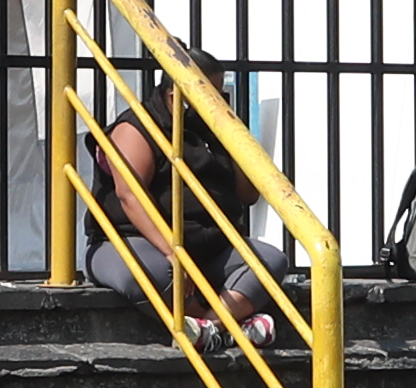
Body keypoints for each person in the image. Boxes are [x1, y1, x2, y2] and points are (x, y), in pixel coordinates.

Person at [78, 80, 289, 343]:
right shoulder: (137, 127)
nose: (216, 100)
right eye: (208, 92)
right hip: (134, 242)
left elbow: (248, 195)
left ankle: (210, 329)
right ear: (174, 95)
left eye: (220, 93)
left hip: (206, 248)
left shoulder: (211, 130)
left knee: (271, 260)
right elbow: (130, 196)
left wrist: (233, 140)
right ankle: (228, 326)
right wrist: (172, 251)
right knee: (145, 271)